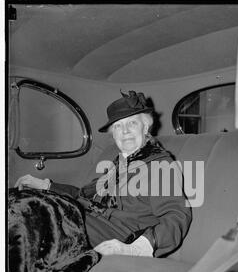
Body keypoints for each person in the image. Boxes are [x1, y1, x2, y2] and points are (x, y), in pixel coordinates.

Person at [14, 90, 192, 258]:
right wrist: (46, 186)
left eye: (132, 123)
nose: (125, 131)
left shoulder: (160, 165)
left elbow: (176, 216)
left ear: (145, 128)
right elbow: (83, 194)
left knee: (29, 214)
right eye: (118, 126)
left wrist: (136, 248)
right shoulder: (118, 163)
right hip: (88, 218)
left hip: (118, 232)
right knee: (18, 201)